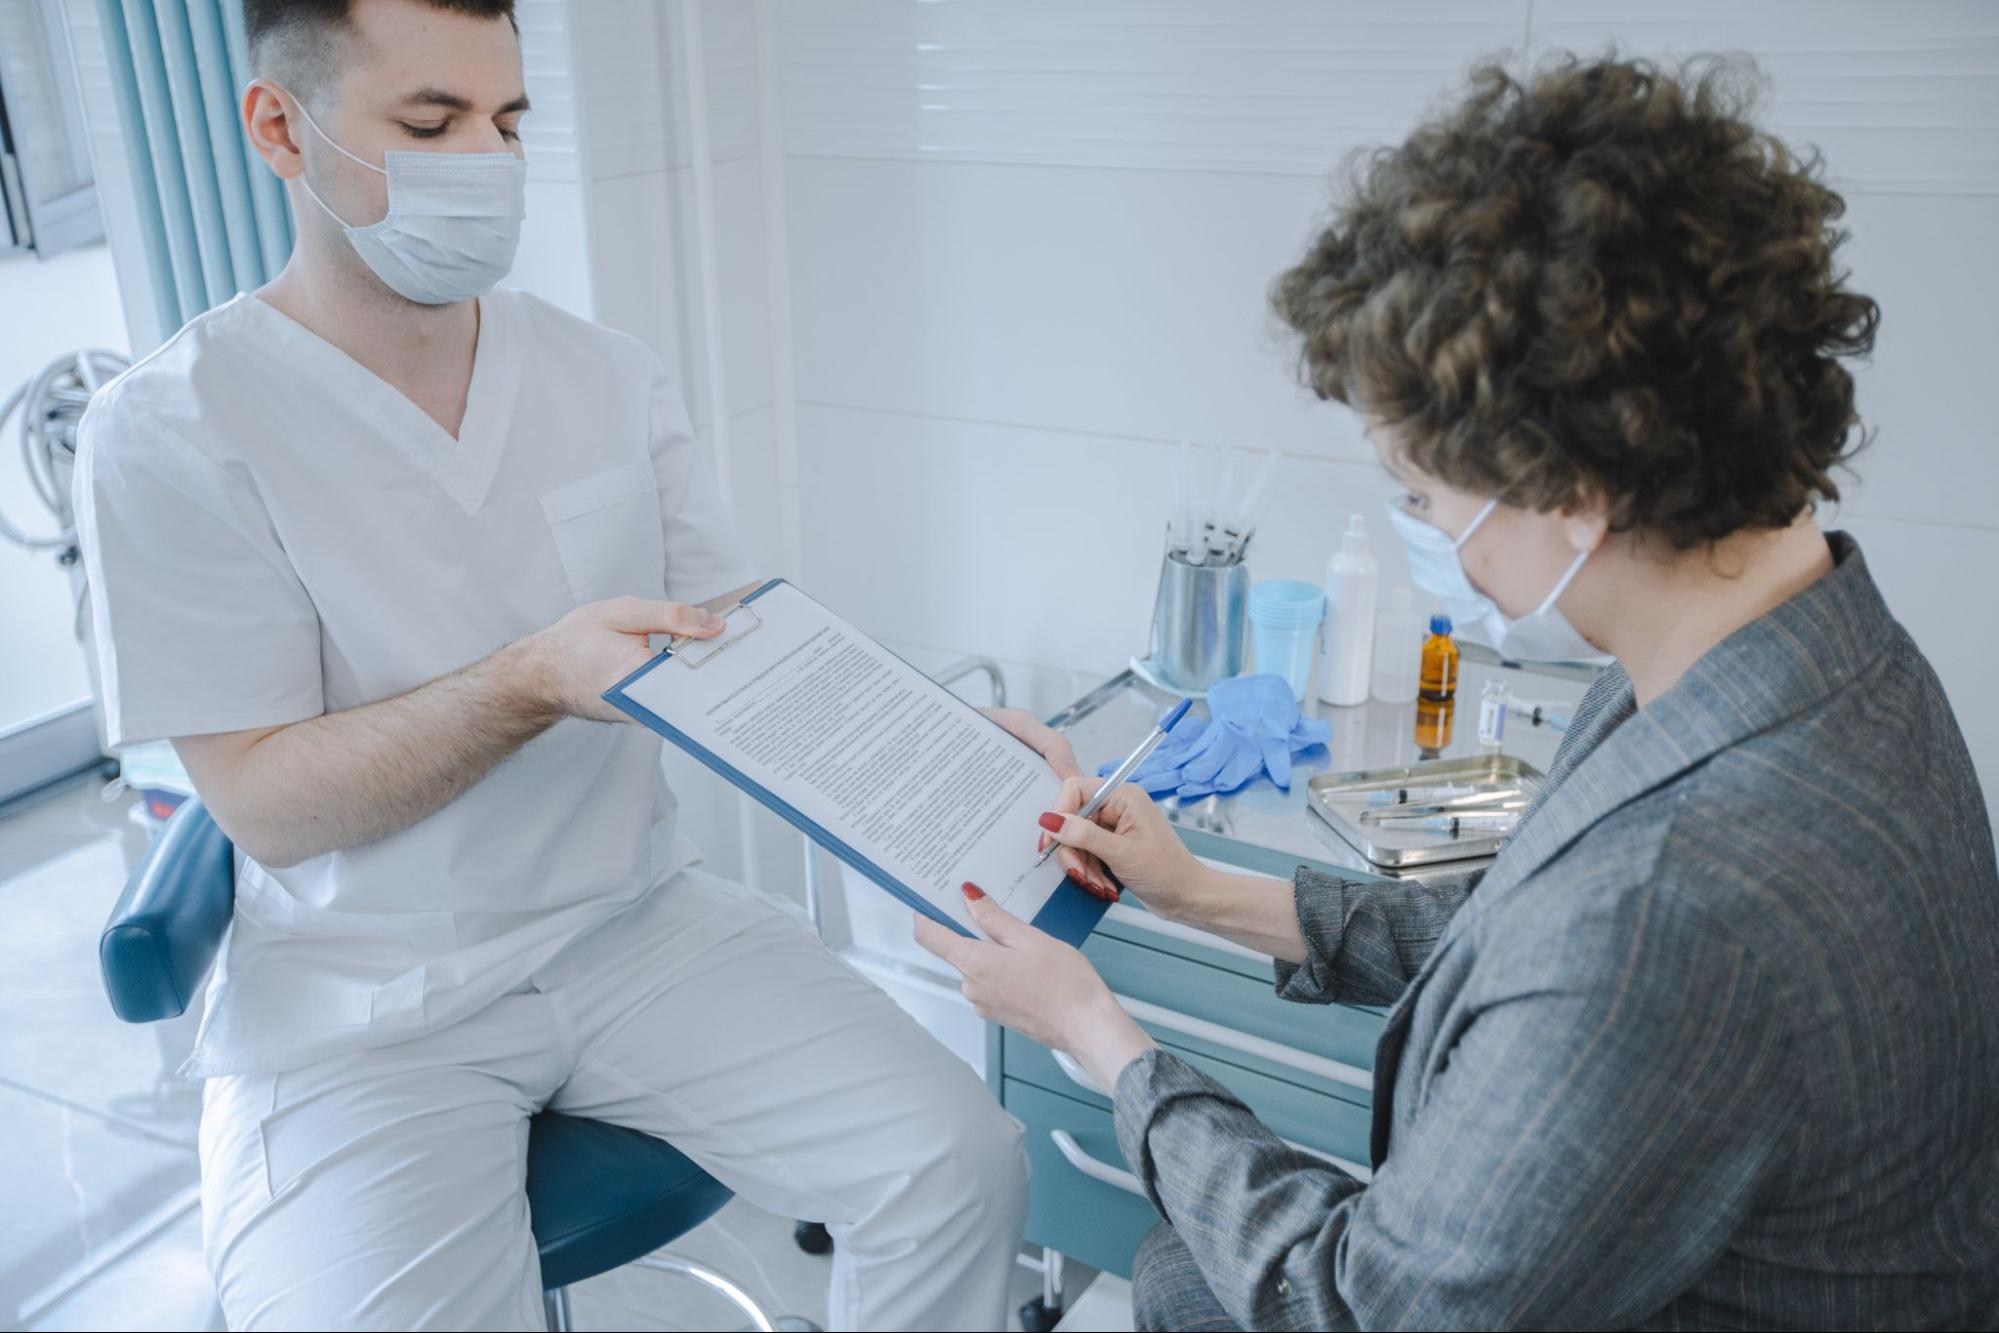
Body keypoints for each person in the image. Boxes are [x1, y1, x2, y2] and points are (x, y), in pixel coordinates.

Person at [917, 54, 1999, 1329]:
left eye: (1424, 498)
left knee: (1187, 1280)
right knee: (1174, 1276)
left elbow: (1362, 1304)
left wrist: (1097, 1035)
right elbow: (1519, 937)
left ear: (1575, 492)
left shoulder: (1678, 900)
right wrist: (1197, 890)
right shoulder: (1802, 649)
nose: (1428, 532)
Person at [74, 1, 1090, 1326]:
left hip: (631, 923)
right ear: (281, 128)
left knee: (959, 1164)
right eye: (430, 123)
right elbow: (263, 802)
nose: (484, 167)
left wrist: (950, 760)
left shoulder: (601, 374)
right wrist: (523, 682)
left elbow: (746, 646)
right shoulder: (173, 429)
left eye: (506, 123)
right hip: (368, 998)